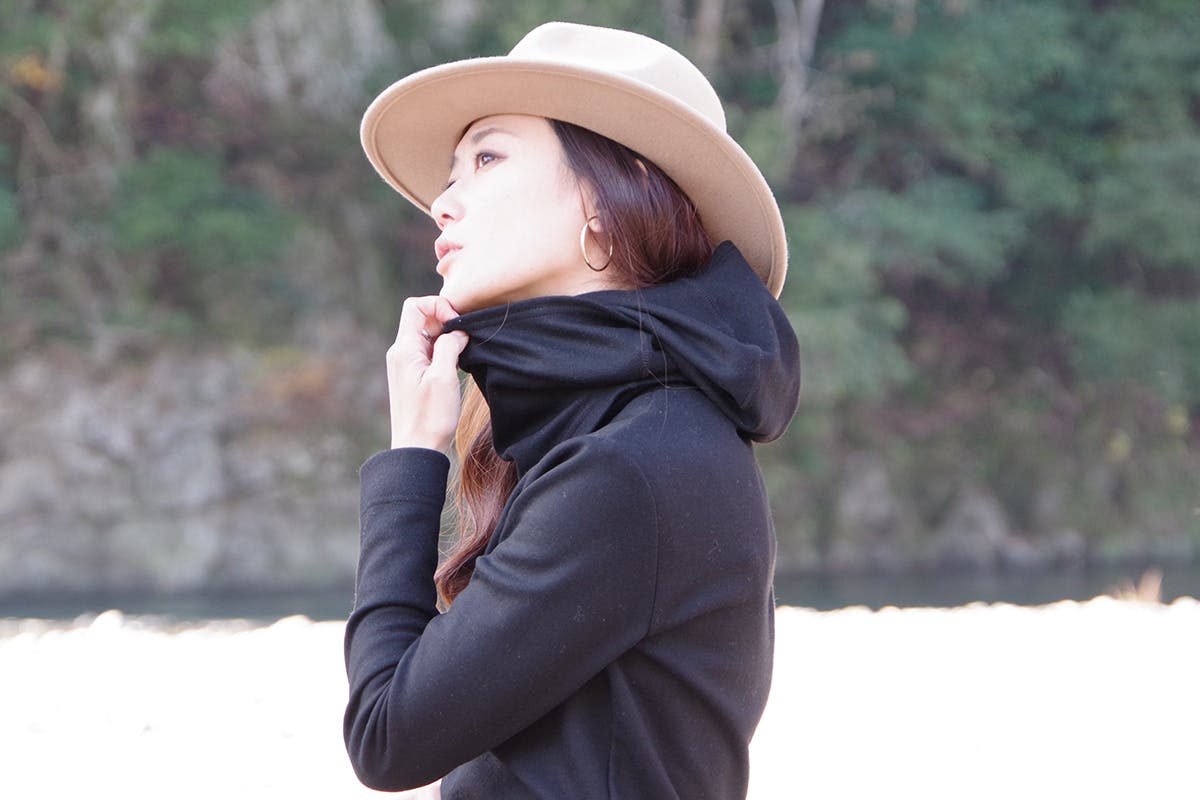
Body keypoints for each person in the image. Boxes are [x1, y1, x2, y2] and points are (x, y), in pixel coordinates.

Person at [343, 21, 801, 800]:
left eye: (487, 158)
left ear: (604, 198)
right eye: (452, 174)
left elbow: (387, 737)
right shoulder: (623, 432)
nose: (444, 204)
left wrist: (412, 454)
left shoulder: (634, 461)